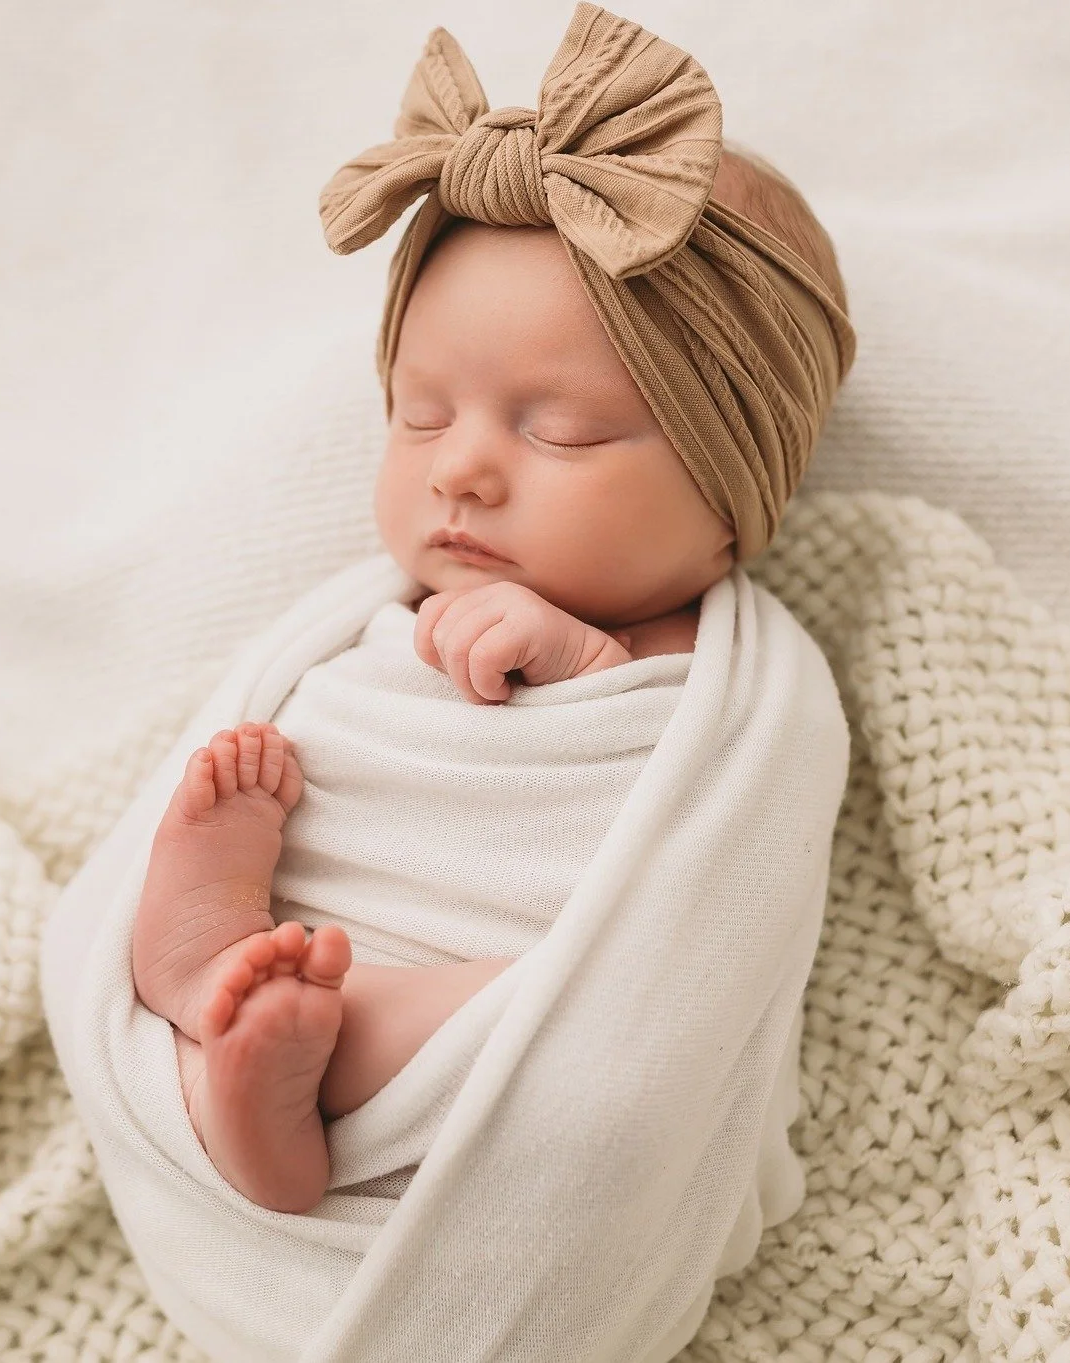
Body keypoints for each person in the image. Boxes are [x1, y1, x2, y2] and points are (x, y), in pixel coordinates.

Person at [129, 13, 855, 1216]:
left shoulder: (739, 685)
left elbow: (711, 895)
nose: (457, 468)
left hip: (492, 1048)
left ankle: (271, 1070)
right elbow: (335, 742)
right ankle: (200, 958)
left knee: (568, 1031)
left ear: (728, 499)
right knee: (239, 839)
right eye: (419, 415)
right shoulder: (350, 628)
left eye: (556, 429)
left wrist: (579, 661)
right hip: (325, 919)